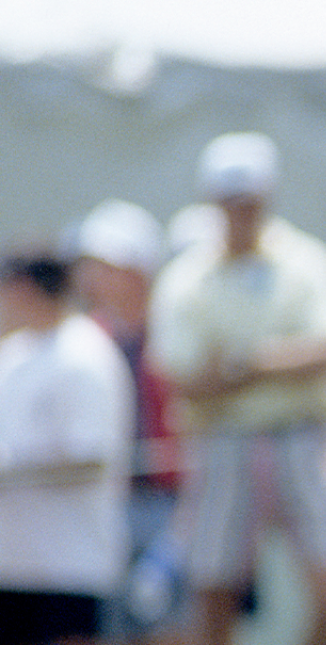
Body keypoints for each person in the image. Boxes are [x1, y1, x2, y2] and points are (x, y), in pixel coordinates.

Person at [148, 131, 326, 645]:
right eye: (230, 202)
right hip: (223, 440)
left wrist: (241, 363)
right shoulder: (188, 277)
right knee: (213, 584)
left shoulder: (305, 261)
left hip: (301, 435)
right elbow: (184, 377)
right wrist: (278, 359)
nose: (241, 213)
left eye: (249, 201)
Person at [0, 251, 135, 645]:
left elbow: (91, 459)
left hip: (71, 565)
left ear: (24, 289)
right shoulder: (14, 353)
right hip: (14, 562)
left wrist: (11, 472)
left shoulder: (86, 354)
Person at [69, 198, 188, 642]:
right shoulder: (85, 338)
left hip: (173, 500)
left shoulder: (175, 327)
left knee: (175, 621)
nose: (94, 277)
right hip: (109, 501)